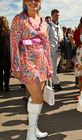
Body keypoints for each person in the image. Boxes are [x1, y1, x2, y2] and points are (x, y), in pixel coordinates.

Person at [10, 0, 53, 139]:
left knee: (35, 98)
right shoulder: (19, 19)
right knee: (38, 98)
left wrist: (49, 67)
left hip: (41, 62)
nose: (33, 2)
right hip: (27, 60)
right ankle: (30, 133)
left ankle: (33, 128)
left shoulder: (44, 22)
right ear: (24, 2)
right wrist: (15, 66)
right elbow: (14, 43)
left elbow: (46, 46)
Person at [48, 9, 63, 92]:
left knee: (55, 67)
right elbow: (46, 38)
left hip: (59, 49)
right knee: (53, 67)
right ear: (52, 16)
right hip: (52, 50)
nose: (57, 17)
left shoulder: (59, 26)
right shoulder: (49, 26)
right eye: (56, 15)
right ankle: (55, 83)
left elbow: (60, 36)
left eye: (58, 15)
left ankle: (52, 83)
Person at [0, 16, 11, 92]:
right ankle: (6, 87)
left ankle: (0, 87)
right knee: (7, 72)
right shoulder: (9, 32)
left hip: (1, 55)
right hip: (8, 54)